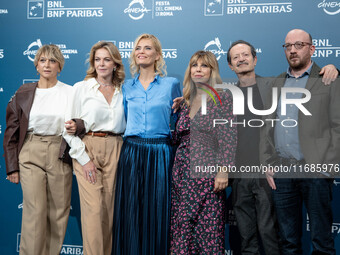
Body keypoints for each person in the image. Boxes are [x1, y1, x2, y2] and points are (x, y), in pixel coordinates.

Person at [260, 29, 340, 255]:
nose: (293, 50)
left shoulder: (327, 78)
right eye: (288, 46)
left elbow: (337, 126)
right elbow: (267, 126)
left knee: (322, 241)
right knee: (288, 242)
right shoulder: (277, 82)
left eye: (299, 45)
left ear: (312, 49)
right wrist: (267, 162)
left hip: (315, 171)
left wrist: (328, 165)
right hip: (283, 171)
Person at [112, 33, 182, 255]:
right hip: (131, 151)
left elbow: (181, 119)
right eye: (138, 48)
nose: (141, 51)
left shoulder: (171, 84)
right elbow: (119, 119)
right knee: (131, 209)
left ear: (158, 55)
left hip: (161, 151)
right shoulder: (125, 87)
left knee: (157, 209)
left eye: (148, 48)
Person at [3, 44, 73, 255]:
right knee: (34, 210)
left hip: (59, 151)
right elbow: (11, 131)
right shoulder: (23, 92)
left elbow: (81, 122)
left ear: (60, 65)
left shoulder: (70, 92)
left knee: (58, 213)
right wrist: (12, 167)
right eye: (43, 60)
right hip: (30, 150)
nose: (47, 65)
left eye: (52, 61)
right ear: (36, 65)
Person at [170, 50, 237, 254]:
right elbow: (177, 138)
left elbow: (229, 137)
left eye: (204, 65)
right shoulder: (186, 102)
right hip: (181, 173)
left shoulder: (222, 98)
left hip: (206, 174)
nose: (198, 69)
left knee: (206, 232)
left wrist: (224, 171)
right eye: (194, 65)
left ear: (212, 71)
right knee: (181, 228)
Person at [63, 41, 126, 255]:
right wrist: (84, 159)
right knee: (93, 210)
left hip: (116, 147)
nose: (101, 64)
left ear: (115, 64)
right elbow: (67, 129)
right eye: (97, 59)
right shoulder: (81, 88)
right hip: (87, 148)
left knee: (108, 211)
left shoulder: (123, 90)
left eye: (107, 59)